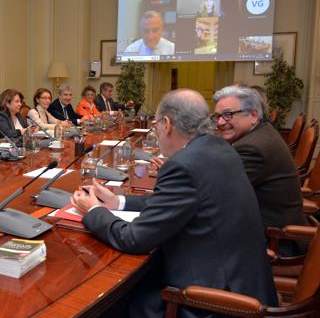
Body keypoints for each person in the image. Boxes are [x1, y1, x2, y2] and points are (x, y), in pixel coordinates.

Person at [71, 89, 276, 318]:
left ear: (166, 124)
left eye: (156, 124)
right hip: (241, 281)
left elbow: (134, 238)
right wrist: (117, 201)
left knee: (110, 301)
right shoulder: (218, 148)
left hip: (211, 302)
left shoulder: (183, 165)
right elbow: (176, 201)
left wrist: (93, 210)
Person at [213, 85, 308, 255]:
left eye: (228, 115)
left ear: (253, 115)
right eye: (218, 116)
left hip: (276, 242)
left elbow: (215, 193)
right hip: (266, 229)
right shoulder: (260, 133)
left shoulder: (253, 148)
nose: (220, 122)